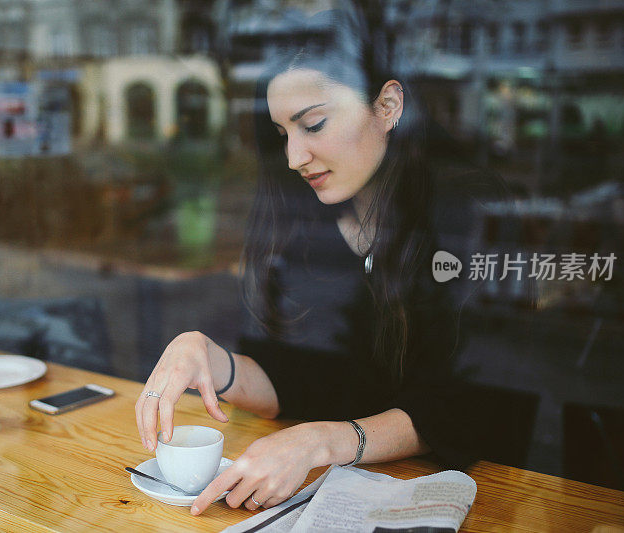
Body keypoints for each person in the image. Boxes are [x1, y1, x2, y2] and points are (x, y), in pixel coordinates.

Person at [136, 7, 490, 516]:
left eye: (314, 124)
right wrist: (213, 360)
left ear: (388, 106)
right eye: (283, 134)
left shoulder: (463, 214)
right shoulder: (304, 224)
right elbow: (298, 379)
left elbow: (467, 404)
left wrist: (319, 442)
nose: (294, 156)